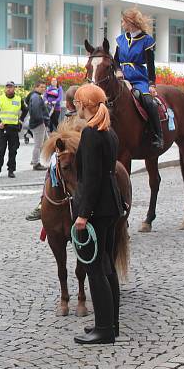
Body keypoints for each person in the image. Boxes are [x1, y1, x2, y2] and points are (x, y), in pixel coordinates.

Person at [72, 84, 122, 345]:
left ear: (85, 104)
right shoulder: (109, 131)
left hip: (97, 208)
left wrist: (83, 214)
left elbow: (91, 179)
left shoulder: (92, 133)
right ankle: (111, 323)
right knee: (107, 265)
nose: (75, 107)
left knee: (94, 268)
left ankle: (103, 329)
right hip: (111, 205)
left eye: (77, 103)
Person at [25, 84, 82, 222]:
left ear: (68, 104)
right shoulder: (71, 117)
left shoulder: (79, 119)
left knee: (53, 170)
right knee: (53, 168)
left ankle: (43, 201)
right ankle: (45, 200)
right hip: (69, 154)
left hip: (78, 156)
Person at [114, 8, 162, 149]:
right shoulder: (121, 39)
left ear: (130, 22)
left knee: (148, 101)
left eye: (123, 21)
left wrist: (151, 84)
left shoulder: (147, 40)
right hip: (121, 77)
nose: (122, 24)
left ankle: (157, 135)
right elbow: (115, 60)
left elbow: (151, 65)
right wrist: (117, 70)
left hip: (139, 78)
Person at [0, 81, 27, 179]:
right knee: (0, 151)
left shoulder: (19, 99)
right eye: (7, 87)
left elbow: (25, 110)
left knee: (13, 151)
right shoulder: (0, 99)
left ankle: (11, 170)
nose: (8, 89)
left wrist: (21, 120)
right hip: (2, 129)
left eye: (11, 87)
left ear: (14, 88)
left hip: (14, 129)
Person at [28, 81, 49, 171]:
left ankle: (50, 160)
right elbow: (36, 111)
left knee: (47, 142)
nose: (43, 89)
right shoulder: (36, 97)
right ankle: (35, 163)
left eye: (44, 87)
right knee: (38, 145)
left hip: (40, 123)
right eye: (41, 87)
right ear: (36, 87)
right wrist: (41, 120)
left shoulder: (35, 96)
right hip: (38, 124)